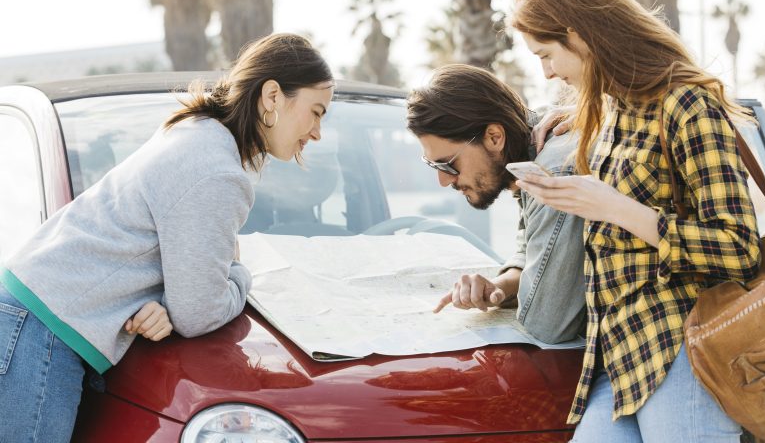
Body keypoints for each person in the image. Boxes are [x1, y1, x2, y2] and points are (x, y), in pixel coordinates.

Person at [0, 32, 334, 442]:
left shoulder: (199, 133)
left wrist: (162, 303)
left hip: (31, 318)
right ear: (272, 96)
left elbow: (160, 259)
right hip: (42, 330)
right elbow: (200, 312)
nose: (317, 132)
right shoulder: (217, 170)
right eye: (316, 112)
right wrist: (241, 275)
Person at [508, 0, 760, 441]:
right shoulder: (610, 114)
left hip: (682, 350)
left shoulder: (686, 103)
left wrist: (615, 208)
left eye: (545, 55)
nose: (545, 72)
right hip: (617, 360)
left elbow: (739, 247)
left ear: (577, 34)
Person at [407, 63, 586, 345]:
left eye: (448, 164)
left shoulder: (553, 170)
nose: (444, 180)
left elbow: (547, 324)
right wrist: (499, 287)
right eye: (432, 165)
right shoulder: (525, 158)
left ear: (494, 137)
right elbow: (530, 249)